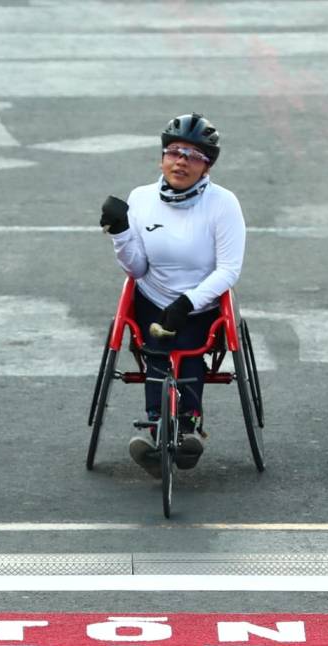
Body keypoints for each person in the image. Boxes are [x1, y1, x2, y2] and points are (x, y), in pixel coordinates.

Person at [99, 113, 246, 478]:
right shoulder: (142, 199)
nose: (181, 161)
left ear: (207, 166)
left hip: (201, 303)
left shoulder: (224, 204)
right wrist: (120, 231)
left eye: (194, 155)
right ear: (162, 157)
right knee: (157, 344)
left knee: (188, 344)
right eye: (174, 152)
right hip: (152, 296)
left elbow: (228, 270)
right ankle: (155, 429)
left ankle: (187, 426)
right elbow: (136, 269)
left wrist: (188, 302)